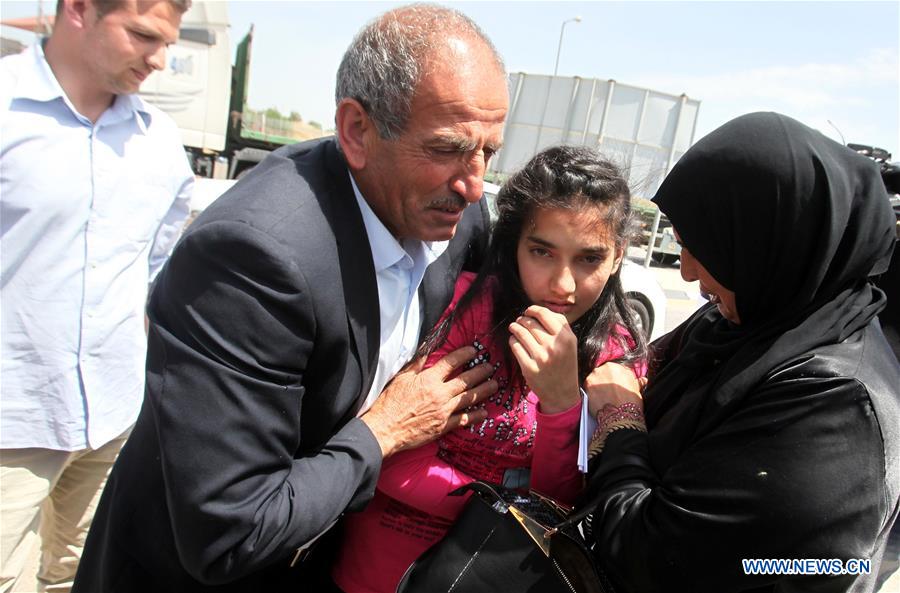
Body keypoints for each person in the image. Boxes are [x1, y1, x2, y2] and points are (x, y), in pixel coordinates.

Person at [72, 4, 508, 591]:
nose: (473, 183)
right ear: (357, 130)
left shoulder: (453, 207)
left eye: (489, 152)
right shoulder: (252, 259)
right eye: (446, 148)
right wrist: (386, 430)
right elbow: (232, 531)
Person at [580, 112, 900, 592]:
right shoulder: (750, 317)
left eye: (704, 247)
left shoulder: (835, 408)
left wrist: (620, 420)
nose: (687, 272)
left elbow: (652, 558)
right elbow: (637, 368)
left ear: (768, 244)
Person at [332, 145, 648, 593]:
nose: (562, 285)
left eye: (588, 259)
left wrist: (560, 404)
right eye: (542, 252)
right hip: (381, 573)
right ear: (515, 242)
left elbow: (561, 503)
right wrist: (505, 501)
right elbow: (389, 456)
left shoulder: (614, 356)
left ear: (618, 256)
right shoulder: (463, 309)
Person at [0, 0, 193, 591]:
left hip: (111, 416)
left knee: (83, 573)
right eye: (142, 35)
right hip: (12, 421)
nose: (159, 60)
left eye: (167, 42)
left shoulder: (159, 144)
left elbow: (154, 274)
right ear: (79, 9)